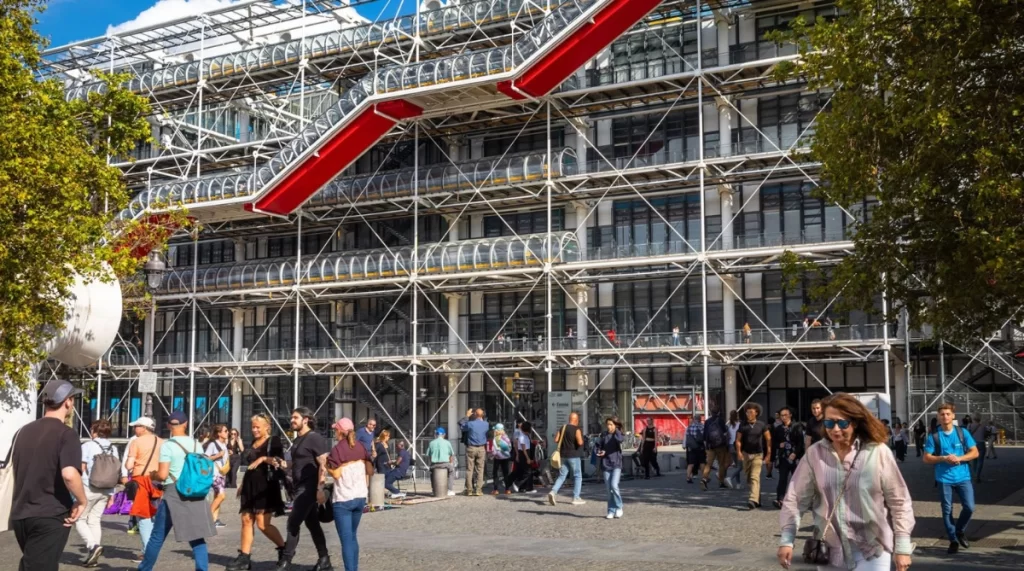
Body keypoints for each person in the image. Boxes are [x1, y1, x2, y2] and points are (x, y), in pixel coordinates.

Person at [777, 393, 914, 571]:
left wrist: (902, 546)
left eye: (842, 423)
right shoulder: (814, 454)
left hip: (873, 548)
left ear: (855, 422)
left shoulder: (878, 452)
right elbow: (795, 499)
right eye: (828, 423)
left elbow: (899, 501)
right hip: (830, 550)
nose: (835, 429)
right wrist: (787, 539)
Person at [9, 379, 87, 571]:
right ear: (67, 402)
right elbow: (69, 474)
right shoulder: (66, 434)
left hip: (21, 513)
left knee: (32, 564)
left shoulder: (22, 432)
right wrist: (82, 500)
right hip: (50, 513)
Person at [138, 411, 217, 571]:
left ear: (168, 425)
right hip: (195, 492)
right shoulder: (196, 444)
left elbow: (163, 474)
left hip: (174, 493)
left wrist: (153, 474)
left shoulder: (167, 445)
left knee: (157, 536)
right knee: (197, 537)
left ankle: (144, 569)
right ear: (186, 424)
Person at [226, 414, 287, 570]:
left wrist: (262, 459)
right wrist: (242, 484)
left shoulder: (274, 441)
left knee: (262, 524)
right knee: (246, 520)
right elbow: (250, 466)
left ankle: (284, 549)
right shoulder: (253, 442)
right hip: (250, 485)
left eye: (257, 427)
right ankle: (244, 558)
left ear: (267, 427)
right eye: (253, 426)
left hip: (265, 487)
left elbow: (278, 461)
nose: (254, 430)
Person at [277, 407, 332, 571]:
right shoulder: (297, 439)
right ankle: (324, 559)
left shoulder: (314, 438)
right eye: (291, 417)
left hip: (309, 488)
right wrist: (282, 464)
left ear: (306, 419)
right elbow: (297, 462)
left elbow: (323, 464)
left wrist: (320, 488)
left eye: (295, 417)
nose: (292, 420)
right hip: (298, 486)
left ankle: (286, 560)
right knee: (312, 523)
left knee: (293, 521)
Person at [923, 402, 979, 555]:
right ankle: (953, 540)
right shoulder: (934, 436)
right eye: (942, 414)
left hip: (963, 477)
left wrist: (960, 458)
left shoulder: (962, 432)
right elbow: (926, 458)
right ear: (938, 417)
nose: (945, 416)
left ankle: (960, 530)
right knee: (947, 510)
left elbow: (975, 453)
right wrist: (942, 458)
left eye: (948, 414)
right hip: (944, 478)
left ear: (953, 416)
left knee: (969, 507)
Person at [327, 418, 373, 571]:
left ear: (339, 431)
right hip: (360, 496)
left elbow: (336, 474)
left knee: (346, 540)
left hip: (343, 498)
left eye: (335, 430)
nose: (334, 432)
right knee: (352, 537)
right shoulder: (360, 446)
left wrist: (326, 466)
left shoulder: (338, 449)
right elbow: (370, 470)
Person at [75, 418, 120, 567]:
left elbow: (81, 468)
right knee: (94, 520)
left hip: (90, 486)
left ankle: (92, 546)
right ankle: (93, 555)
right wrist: (112, 495)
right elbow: (115, 471)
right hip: (106, 489)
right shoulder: (113, 448)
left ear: (94, 430)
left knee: (80, 519)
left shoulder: (88, 446)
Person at [125, 416, 162, 558]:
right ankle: (149, 547)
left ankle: (148, 550)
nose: (135, 429)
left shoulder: (136, 442)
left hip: (141, 480)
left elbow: (129, 465)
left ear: (144, 428)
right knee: (153, 514)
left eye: (137, 426)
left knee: (143, 515)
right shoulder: (161, 441)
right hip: (157, 481)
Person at [736, 402, 771, 510]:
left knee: (754, 477)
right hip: (746, 454)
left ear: (756, 413)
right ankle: (758, 499)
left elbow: (768, 439)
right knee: (748, 478)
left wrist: (768, 454)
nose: (749, 414)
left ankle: (752, 499)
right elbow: (738, 440)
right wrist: (739, 452)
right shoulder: (742, 425)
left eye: (751, 412)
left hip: (758, 455)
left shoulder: (762, 425)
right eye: (747, 412)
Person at [548, 411, 586, 506]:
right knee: (578, 476)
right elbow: (580, 442)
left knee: (562, 475)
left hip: (563, 455)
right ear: (576, 420)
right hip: (574, 455)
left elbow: (556, 440)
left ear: (569, 419)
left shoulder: (563, 427)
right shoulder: (576, 429)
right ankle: (576, 497)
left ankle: (553, 492)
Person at [770, 407, 804, 509]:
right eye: (781, 415)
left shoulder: (797, 426)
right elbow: (773, 443)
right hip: (783, 457)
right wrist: (778, 445)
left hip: (795, 457)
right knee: (782, 479)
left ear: (790, 415)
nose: (783, 417)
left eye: (785, 415)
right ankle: (780, 499)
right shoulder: (778, 429)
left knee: (796, 479)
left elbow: (801, 442)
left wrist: (795, 453)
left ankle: (798, 500)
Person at [595, 417, 624, 519]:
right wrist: (599, 451)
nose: (609, 426)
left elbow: (620, 440)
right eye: (608, 424)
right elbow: (598, 445)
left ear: (615, 425)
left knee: (614, 485)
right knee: (608, 490)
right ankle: (611, 510)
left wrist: (616, 431)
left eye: (611, 424)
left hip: (616, 463)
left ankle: (619, 507)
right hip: (606, 463)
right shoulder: (604, 435)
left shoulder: (618, 434)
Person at [202, 424, 229, 528]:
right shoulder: (213, 444)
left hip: (222, 473)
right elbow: (205, 458)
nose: (228, 432)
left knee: (217, 496)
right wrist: (217, 455)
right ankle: (207, 517)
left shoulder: (224, 444)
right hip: (214, 474)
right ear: (219, 433)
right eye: (225, 431)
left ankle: (214, 519)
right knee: (222, 496)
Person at [701, 406, 733, 490]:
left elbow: (704, 435)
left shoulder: (707, 422)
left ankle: (704, 479)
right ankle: (721, 482)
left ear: (711, 413)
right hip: (720, 446)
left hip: (710, 446)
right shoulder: (720, 420)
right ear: (718, 412)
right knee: (721, 464)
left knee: (709, 464)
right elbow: (725, 433)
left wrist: (706, 445)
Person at [459, 408, 489, 496]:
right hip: (481, 448)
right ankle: (478, 490)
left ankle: (469, 490)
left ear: (475, 414)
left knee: (469, 469)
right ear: (483, 415)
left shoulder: (470, 424)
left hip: (471, 448)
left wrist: (467, 416)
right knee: (480, 469)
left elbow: (461, 425)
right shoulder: (486, 424)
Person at [505, 421, 536, 493]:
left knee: (520, 471)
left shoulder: (525, 435)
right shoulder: (522, 436)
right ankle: (517, 483)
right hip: (524, 454)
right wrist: (527, 458)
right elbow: (523, 448)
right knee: (527, 472)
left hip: (524, 453)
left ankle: (519, 486)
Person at [426, 427, 457, 497]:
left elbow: (429, 455)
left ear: (436, 434)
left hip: (434, 464)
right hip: (445, 463)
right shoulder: (447, 442)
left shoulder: (431, 443)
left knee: (431, 472)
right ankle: (449, 489)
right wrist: (451, 463)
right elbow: (451, 455)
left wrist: (432, 462)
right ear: (444, 434)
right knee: (452, 472)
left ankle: (434, 489)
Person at [487, 424, 513, 494]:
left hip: (497, 458)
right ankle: (507, 489)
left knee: (495, 473)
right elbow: (510, 448)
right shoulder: (506, 437)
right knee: (506, 473)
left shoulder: (496, 438)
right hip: (506, 457)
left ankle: (495, 490)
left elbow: (494, 450)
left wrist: (491, 456)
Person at [684, 415, 705, 484]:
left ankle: (688, 477)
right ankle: (704, 477)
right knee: (702, 462)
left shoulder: (689, 427)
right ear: (700, 419)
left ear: (694, 419)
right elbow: (704, 437)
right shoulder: (702, 426)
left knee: (691, 463)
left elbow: (687, 437)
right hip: (700, 447)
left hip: (692, 447)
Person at [968, 416, 987, 482]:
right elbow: (985, 434)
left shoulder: (970, 425)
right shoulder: (983, 426)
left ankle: (975, 474)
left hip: (973, 444)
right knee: (980, 461)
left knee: (974, 461)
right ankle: (978, 476)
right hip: (981, 443)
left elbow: (967, 435)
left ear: (973, 418)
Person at [727, 410, 742, 487]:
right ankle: (730, 478)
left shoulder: (729, 425)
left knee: (737, 466)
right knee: (741, 466)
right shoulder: (740, 424)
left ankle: (738, 484)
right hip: (737, 446)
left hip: (730, 446)